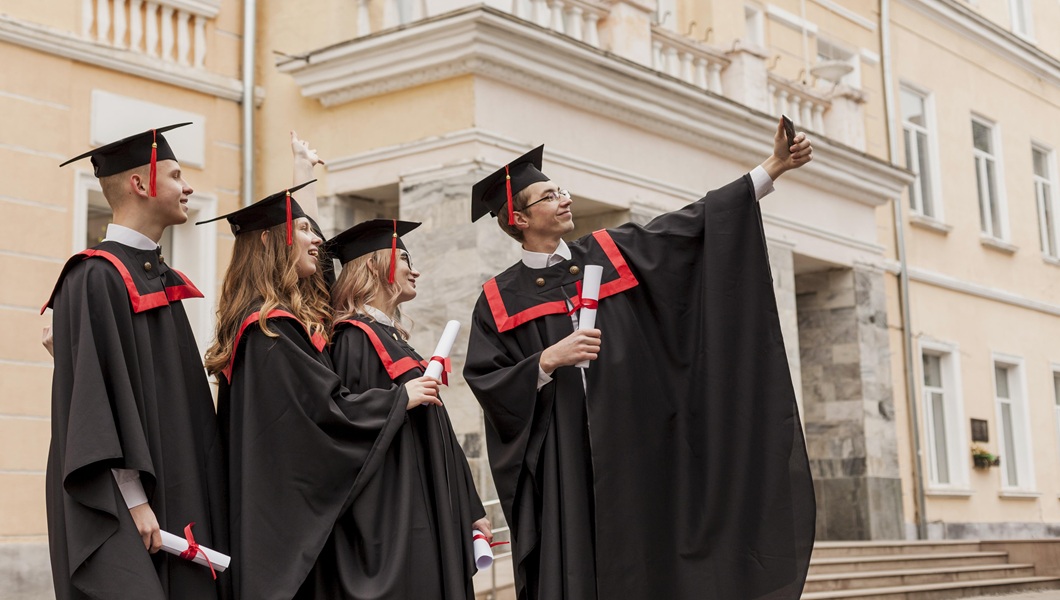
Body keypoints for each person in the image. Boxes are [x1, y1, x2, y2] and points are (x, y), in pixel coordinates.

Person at [463, 118, 817, 600]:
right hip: (567, 457)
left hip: (637, 444)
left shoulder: (610, 252)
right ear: (519, 219)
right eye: (548, 195)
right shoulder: (499, 298)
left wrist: (773, 166)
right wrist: (546, 361)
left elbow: (692, 223)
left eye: (561, 190)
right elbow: (487, 379)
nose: (564, 198)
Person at [198, 186, 441, 600]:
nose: (317, 241)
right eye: (305, 230)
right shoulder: (269, 328)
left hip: (266, 504)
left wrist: (303, 175)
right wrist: (398, 398)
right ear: (270, 240)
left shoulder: (265, 322)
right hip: (279, 516)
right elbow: (318, 414)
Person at [43, 124, 229, 599]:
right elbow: (96, 403)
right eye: (176, 175)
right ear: (142, 184)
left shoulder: (158, 276)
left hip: (180, 485)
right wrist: (133, 500)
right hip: (134, 505)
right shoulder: (94, 276)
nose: (188, 187)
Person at [322, 218, 491, 599]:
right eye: (402, 258)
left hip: (425, 505)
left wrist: (468, 506)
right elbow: (344, 422)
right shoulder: (353, 337)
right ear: (372, 266)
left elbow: (437, 432)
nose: (415, 269)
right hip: (393, 520)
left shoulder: (388, 337)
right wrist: (398, 399)